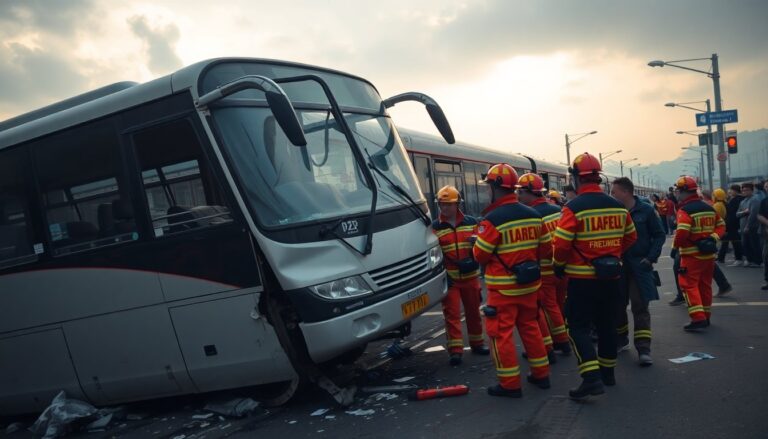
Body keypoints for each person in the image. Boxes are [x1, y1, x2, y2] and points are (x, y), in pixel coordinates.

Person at [552, 153, 637, 400]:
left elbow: (562, 244)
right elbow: (631, 237)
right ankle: (608, 374)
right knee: (607, 325)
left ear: (577, 178)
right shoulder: (617, 206)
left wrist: (559, 266)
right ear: (598, 177)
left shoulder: (573, 207)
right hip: (611, 278)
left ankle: (591, 378)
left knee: (577, 326)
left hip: (582, 280)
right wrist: (611, 255)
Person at [473, 163, 551, 398]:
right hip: (530, 286)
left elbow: (480, 255)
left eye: (488, 186)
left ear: (496, 188)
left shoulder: (493, 219)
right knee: (531, 329)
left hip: (503, 291)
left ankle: (510, 384)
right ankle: (541, 375)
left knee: (501, 335)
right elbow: (546, 249)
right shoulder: (534, 215)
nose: (487, 191)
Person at [432, 185, 489, 365]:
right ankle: (455, 351)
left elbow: (482, 244)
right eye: (442, 204)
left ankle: (477, 343)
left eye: (448, 204)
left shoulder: (472, 223)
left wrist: (476, 256)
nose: (445, 208)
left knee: (473, 312)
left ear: (457, 204)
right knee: (452, 314)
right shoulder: (435, 228)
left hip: (471, 276)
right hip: (451, 279)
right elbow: (434, 254)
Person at [610, 177, 664, 366]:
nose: (612, 195)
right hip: (618, 265)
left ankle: (643, 349)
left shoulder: (647, 210)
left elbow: (659, 235)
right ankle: (621, 339)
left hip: (640, 266)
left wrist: (650, 258)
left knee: (640, 306)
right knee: (617, 304)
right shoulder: (613, 211)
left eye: (614, 191)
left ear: (626, 192)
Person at [517, 173, 571, 359]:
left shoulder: (531, 216)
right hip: (563, 266)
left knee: (548, 306)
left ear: (528, 192)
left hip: (546, 269)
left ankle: (560, 342)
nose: (518, 196)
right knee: (559, 304)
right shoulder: (558, 210)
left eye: (520, 192)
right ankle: (560, 338)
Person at [671, 176, 725, 332]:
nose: (677, 194)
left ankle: (697, 318)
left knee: (688, 285)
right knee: (705, 285)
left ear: (684, 191)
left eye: (678, 191)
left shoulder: (684, 210)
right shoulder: (709, 207)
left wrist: (675, 246)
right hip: (708, 256)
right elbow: (721, 226)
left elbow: (682, 232)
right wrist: (712, 238)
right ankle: (706, 316)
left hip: (690, 256)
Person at [737, 183, 762, 267]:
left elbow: (753, 214)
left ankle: (758, 261)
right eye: (743, 190)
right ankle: (750, 260)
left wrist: (748, 226)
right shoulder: (743, 201)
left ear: (752, 190)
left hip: (752, 226)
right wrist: (744, 212)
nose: (744, 192)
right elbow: (737, 214)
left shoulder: (754, 200)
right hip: (743, 226)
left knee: (754, 244)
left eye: (746, 190)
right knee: (746, 244)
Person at [723, 185, 745, 266]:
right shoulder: (740, 199)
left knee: (736, 241)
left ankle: (738, 258)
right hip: (738, 223)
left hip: (733, 223)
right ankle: (741, 257)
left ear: (735, 191)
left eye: (731, 190)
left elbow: (731, 213)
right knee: (738, 241)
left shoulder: (735, 200)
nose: (729, 192)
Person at [758, 180, 768, 290]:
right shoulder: (764, 201)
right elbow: (759, 215)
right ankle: (767, 280)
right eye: (766, 186)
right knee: (766, 257)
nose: (767, 188)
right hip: (766, 234)